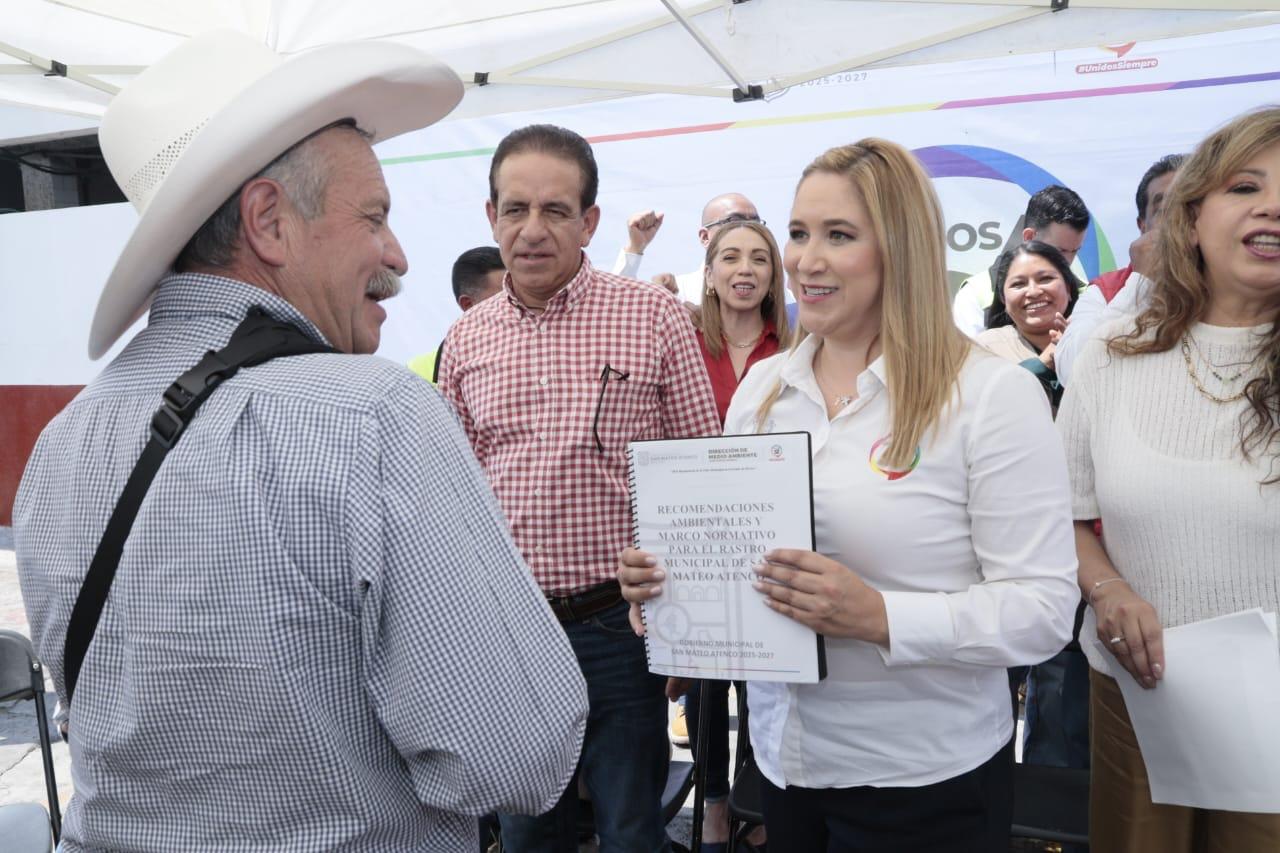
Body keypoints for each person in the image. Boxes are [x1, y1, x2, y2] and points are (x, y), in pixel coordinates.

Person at [13, 32, 588, 853]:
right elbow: (518, 758)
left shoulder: (62, 439)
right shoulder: (378, 415)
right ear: (269, 222)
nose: (396, 255)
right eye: (374, 217)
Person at [620, 138, 1078, 851]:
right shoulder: (763, 390)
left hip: (925, 781)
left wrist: (880, 616)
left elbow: (1043, 611)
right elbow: (748, 565)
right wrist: (674, 591)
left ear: (901, 248)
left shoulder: (989, 397)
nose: (807, 259)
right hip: (784, 769)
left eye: (839, 235)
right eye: (799, 233)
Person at [437, 123, 721, 853]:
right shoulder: (465, 340)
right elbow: (456, 498)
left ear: (589, 222)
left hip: (622, 630)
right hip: (514, 636)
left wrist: (690, 633)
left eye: (555, 211)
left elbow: (702, 472)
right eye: (515, 209)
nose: (532, 230)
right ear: (492, 216)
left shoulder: (652, 317)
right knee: (529, 833)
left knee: (631, 831)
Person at [1058, 106, 1280, 851]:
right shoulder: (1112, 354)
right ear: (1190, 218)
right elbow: (1059, 514)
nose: (1273, 207)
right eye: (1246, 186)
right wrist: (1108, 590)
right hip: (1136, 699)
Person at [685, 219, 792, 850]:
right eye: (730, 257)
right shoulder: (683, 343)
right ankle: (714, 802)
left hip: (768, 533)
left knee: (764, 681)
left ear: (775, 277)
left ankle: (759, 801)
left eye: (759, 258)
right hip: (698, 535)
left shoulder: (798, 345)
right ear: (710, 274)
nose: (744, 269)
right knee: (704, 687)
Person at [1056, 154, 1186, 386]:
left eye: (1191, 206)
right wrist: (1141, 283)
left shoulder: (1241, 284)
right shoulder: (1107, 291)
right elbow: (1071, 372)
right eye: (1165, 209)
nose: (1180, 219)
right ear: (1142, 226)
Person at [952, 184, 1090, 338]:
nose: (1067, 261)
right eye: (1060, 251)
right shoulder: (975, 294)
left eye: (1075, 251)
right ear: (1029, 237)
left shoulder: (1088, 294)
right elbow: (968, 353)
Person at [978, 240, 1082, 413]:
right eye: (1018, 284)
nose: (1033, 292)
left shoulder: (1097, 339)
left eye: (1045, 279)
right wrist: (1045, 362)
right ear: (1003, 298)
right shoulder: (984, 350)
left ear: (1069, 289)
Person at [406, 245, 505, 382]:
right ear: (468, 305)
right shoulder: (416, 373)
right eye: (503, 299)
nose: (517, 304)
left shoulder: (531, 351)